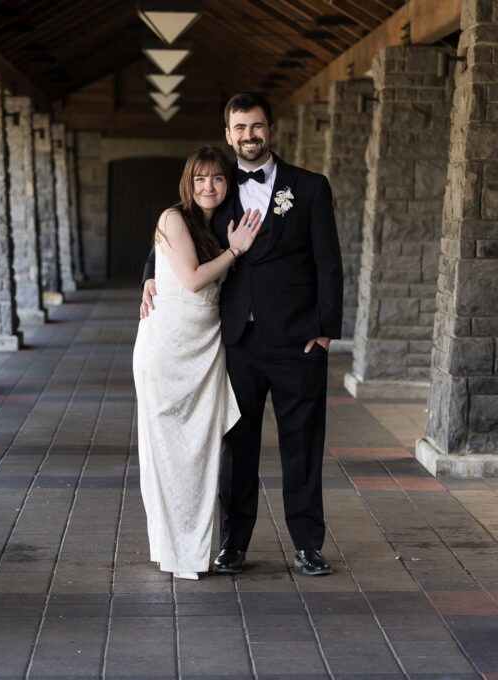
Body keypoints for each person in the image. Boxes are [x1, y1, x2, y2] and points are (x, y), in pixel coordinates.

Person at [142, 92, 344, 577]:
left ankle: (307, 545)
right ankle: (233, 544)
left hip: (298, 340)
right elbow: (180, 222)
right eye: (239, 128)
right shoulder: (217, 185)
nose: (248, 135)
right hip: (234, 343)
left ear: (269, 129)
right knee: (237, 448)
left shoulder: (311, 187)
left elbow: (329, 263)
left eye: (256, 126)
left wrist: (325, 332)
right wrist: (149, 273)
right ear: (228, 133)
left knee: (303, 445)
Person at [132, 145, 262, 580]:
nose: (209, 186)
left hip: (206, 348)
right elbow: (189, 280)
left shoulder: (221, 223)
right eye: (200, 178)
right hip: (168, 348)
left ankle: (193, 546)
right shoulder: (173, 217)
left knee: (199, 452)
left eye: (218, 178)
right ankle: (172, 548)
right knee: (167, 452)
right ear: (189, 182)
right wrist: (235, 251)